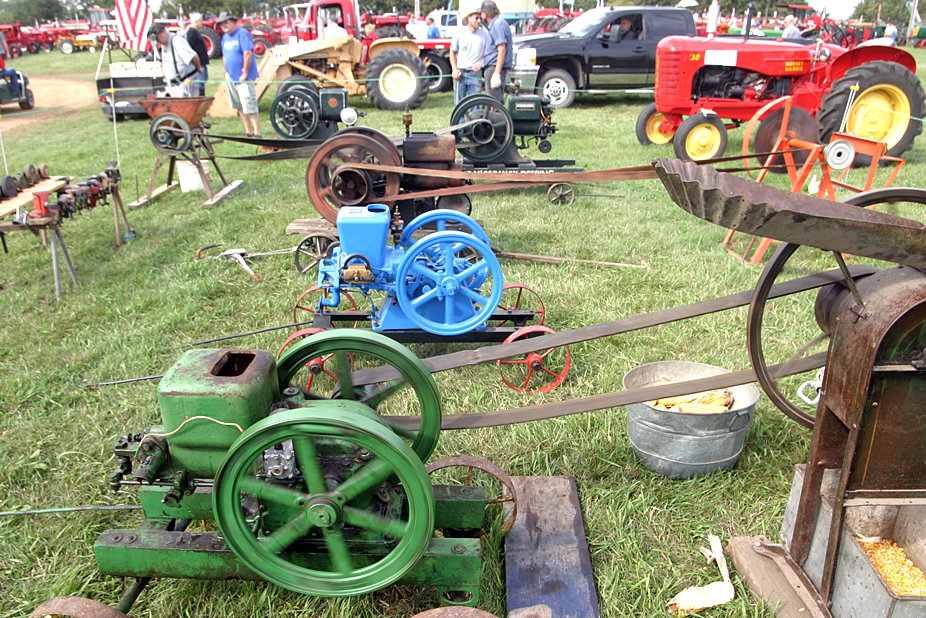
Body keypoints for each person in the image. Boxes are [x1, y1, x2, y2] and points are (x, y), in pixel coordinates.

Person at [218, 12, 261, 137]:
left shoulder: (242, 33)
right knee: (239, 106)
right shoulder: (225, 37)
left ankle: (257, 132)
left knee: (249, 104)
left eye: (226, 22)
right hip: (231, 77)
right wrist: (227, 71)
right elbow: (224, 55)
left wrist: (245, 72)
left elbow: (248, 53)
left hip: (244, 78)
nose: (224, 26)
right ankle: (248, 131)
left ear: (233, 21)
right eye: (222, 24)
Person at [148, 22, 202, 98]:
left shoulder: (176, 41)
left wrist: (199, 68)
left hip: (187, 82)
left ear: (163, 31)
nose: (157, 41)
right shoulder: (164, 44)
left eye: (157, 38)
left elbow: (193, 56)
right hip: (177, 84)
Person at [449, 10, 487, 103]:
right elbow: (452, 52)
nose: (479, 21)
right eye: (476, 18)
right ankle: (460, 118)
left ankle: (475, 118)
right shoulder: (459, 33)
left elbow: (490, 54)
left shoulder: (485, 34)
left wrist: (481, 62)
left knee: (475, 103)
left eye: (480, 18)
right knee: (459, 105)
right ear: (469, 18)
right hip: (460, 74)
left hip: (475, 74)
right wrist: (454, 70)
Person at [480, 0, 513, 101]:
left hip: (494, 68)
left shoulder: (497, 24)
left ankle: (499, 117)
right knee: (494, 101)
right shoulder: (498, 23)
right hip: (493, 67)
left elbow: (502, 49)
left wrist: (496, 73)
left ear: (485, 13)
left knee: (494, 102)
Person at [186, 13, 210, 96]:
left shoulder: (195, 32)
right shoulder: (192, 33)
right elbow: (189, 48)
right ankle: (200, 98)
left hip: (202, 62)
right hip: (198, 63)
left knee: (203, 80)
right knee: (200, 83)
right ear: (196, 22)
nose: (202, 22)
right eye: (201, 21)